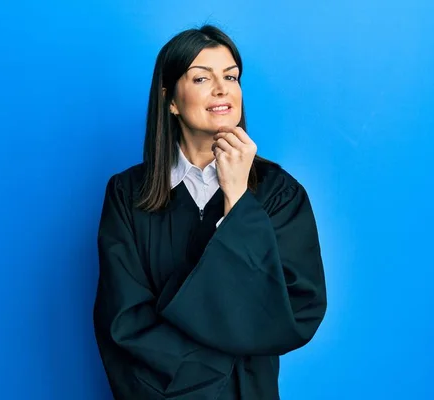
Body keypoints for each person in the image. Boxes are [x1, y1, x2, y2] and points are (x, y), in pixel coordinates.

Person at [93, 24, 327, 400]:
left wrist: (237, 199)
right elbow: (123, 321)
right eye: (202, 78)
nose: (222, 88)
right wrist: (222, 360)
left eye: (231, 76)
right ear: (170, 100)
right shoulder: (127, 194)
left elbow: (298, 310)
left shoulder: (280, 193)